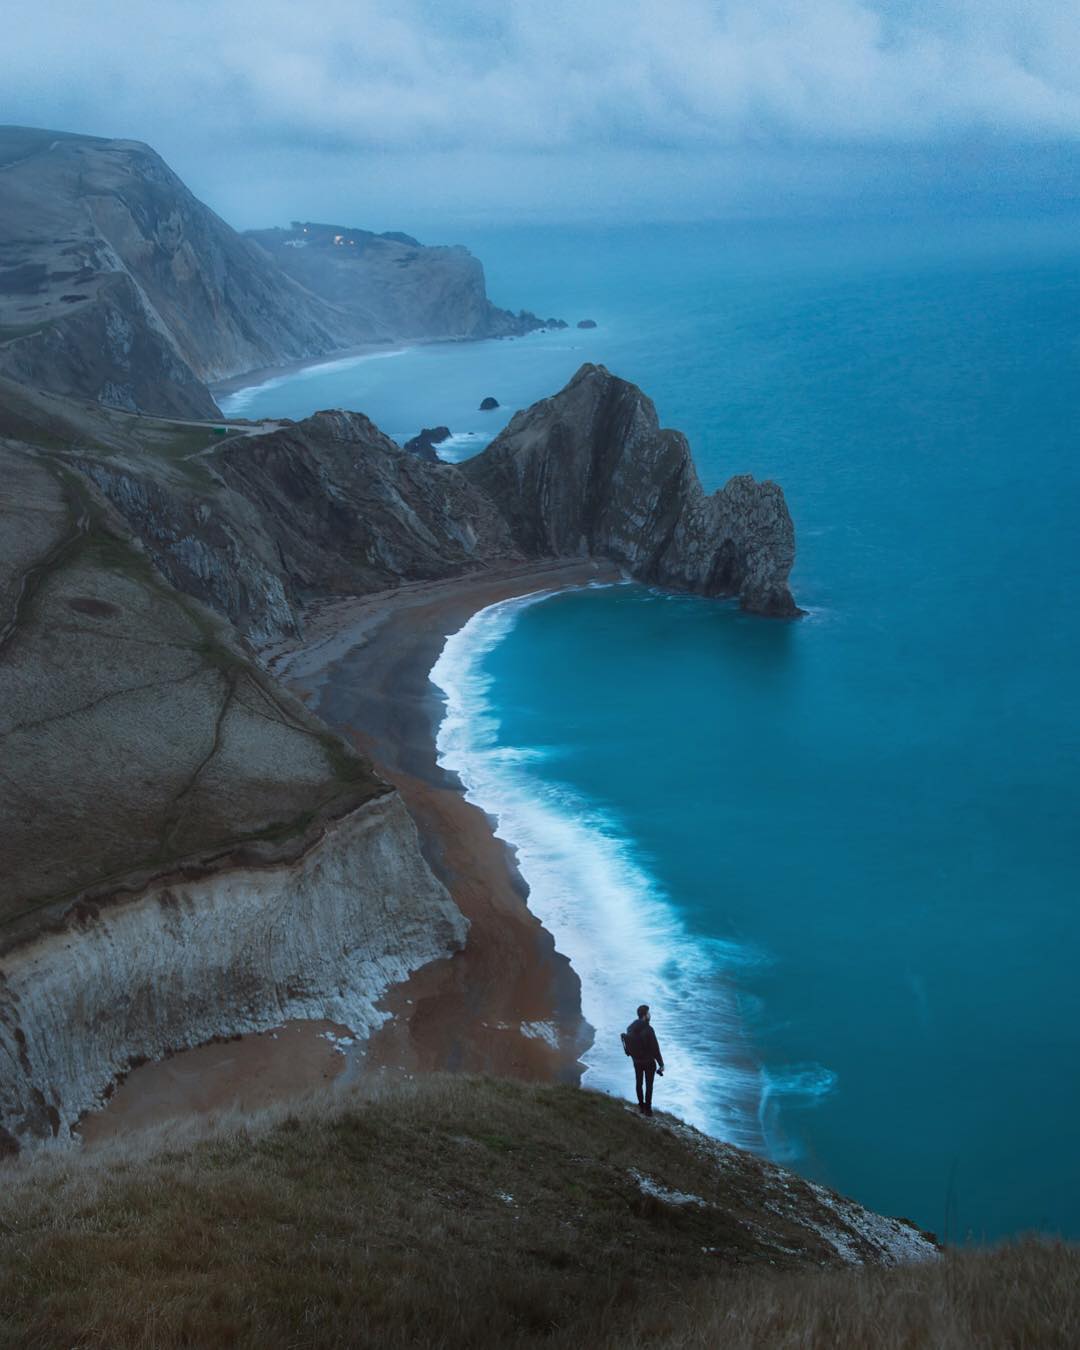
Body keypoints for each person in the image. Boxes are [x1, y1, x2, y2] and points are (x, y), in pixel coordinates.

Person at [623, 1004, 664, 1115]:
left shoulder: (630, 1027)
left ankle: (641, 1106)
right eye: (648, 1013)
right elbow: (655, 1048)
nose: (650, 1015)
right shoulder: (649, 1029)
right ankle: (648, 1109)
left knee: (639, 1083)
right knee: (648, 1085)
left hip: (636, 1060)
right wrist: (661, 1064)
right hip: (649, 1062)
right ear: (645, 1015)